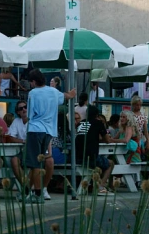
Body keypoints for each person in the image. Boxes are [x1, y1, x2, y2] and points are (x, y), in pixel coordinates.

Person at [25, 69, 76, 203]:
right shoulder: (53, 91)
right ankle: (34, 191)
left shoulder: (33, 93)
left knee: (34, 164)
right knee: (42, 161)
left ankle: (36, 193)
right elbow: (65, 96)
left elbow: (30, 114)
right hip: (49, 131)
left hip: (35, 129)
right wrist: (71, 93)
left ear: (34, 81)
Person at [75, 105, 114, 195]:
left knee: (101, 163)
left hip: (77, 157)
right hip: (91, 158)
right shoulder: (98, 123)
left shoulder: (81, 123)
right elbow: (107, 140)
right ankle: (100, 187)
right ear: (97, 115)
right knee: (110, 164)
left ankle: (97, 185)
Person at [7, 101, 28, 183]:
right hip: (20, 151)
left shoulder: (34, 121)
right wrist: (23, 141)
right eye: (21, 108)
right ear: (18, 112)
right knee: (13, 160)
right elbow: (11, 137)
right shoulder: (16, 121)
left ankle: (28, 189)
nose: (24, 109)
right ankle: (26, 187)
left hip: (32, 151)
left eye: (25, 107)